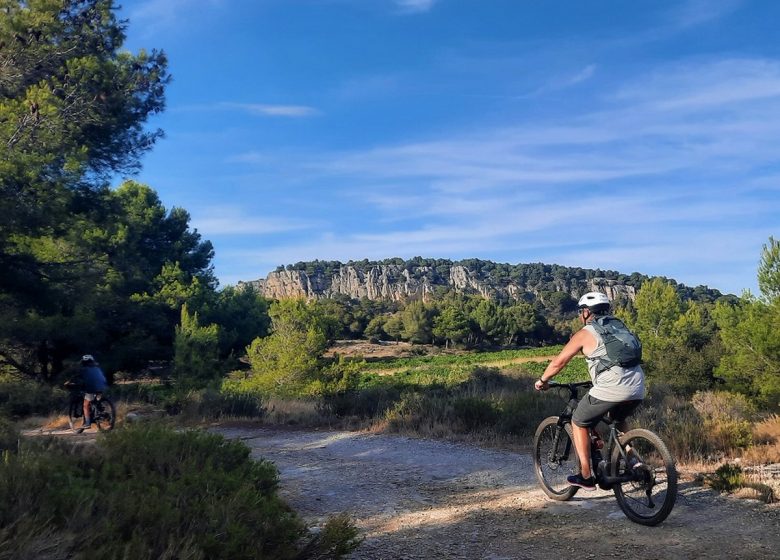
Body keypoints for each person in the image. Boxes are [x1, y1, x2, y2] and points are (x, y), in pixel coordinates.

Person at [534, 292, 645, 490]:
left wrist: (543, 380)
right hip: (638, 386)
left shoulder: (586, 333)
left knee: (578, 421)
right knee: (618, 420)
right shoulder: (620, 327)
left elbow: (559, 362)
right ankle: (635, 463)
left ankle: (585, 474)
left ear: (586, 312)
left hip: (612, 387)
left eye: (580, 312)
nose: (579, 316)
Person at [76, 354, 108, 433]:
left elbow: (78, 378)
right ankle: (99, 412)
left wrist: (71, 383)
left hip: (92, 388)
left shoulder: (84, 369)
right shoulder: (97, 368)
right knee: (96, 401)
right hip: (102, 387)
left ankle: (87, 423)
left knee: (85, 405)